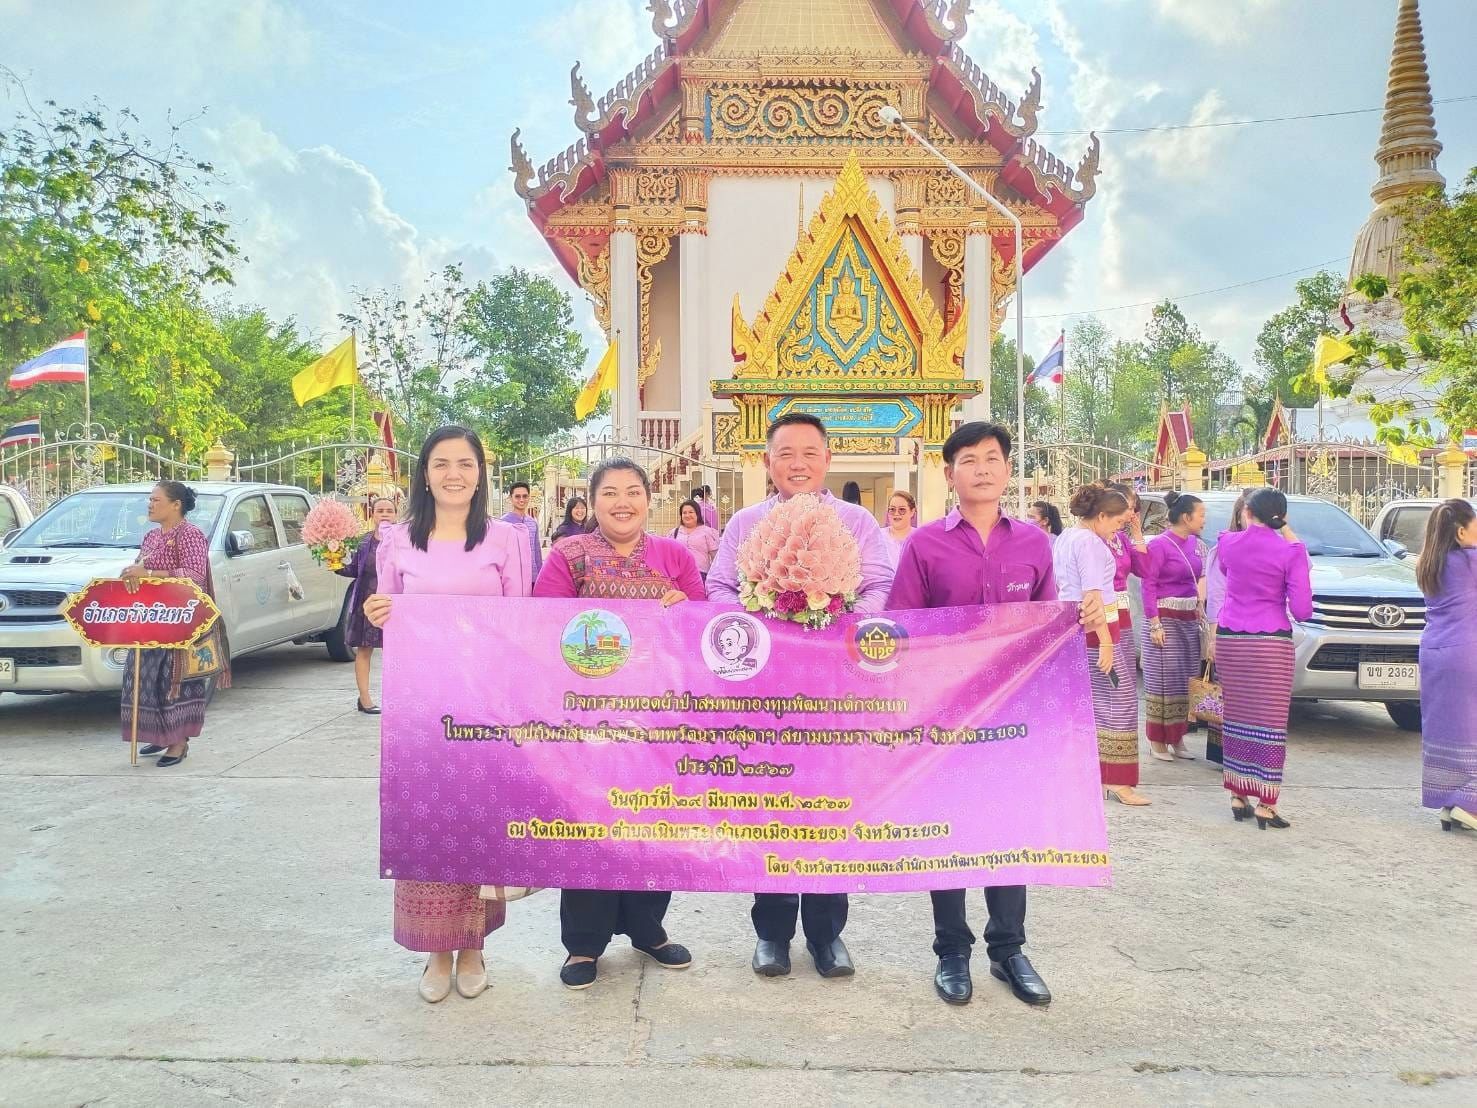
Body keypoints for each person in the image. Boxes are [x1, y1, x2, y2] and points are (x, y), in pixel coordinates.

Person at [887, 422, 1103, 1008]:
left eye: (991, 458)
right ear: (949, 472)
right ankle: (950, 951)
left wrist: (1076, 619)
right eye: (967, 460)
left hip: (1014, 717)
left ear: (1007, 469)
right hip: (945, 717)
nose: (981, 469)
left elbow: (1046, 628)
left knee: (1010, 829)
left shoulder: (1034, 544)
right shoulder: (924, 545)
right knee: (948, 831)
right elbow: (900, 629)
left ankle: (1009, 949)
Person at [708, 412, 893, 980]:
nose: (798, 464)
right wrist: (757, 624)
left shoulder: (857, 522)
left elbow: (881, 584)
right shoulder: (744, 523)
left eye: (810, 453)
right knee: (771, 810)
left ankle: (827, 934)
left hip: (836, 694)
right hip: (765, 695)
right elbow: (718, 587)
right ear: (768, 461)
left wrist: (837, 625)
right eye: (785, 453)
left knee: (831, 809)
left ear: (828, 459)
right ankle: (771, 933)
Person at [363, 425, 531, 1003]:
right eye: (441, 463)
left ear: (481, 473)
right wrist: (379, 609)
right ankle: (436, 951)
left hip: (485, 707)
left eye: (464, 463)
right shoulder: (398, 540)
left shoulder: (505, 540)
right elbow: (384, 617)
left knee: (478, 825)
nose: (453, 474)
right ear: (425, 473)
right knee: (428, 824)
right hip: (421, 708)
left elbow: (521, 624)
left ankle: (475, 947)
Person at [535, 458, 703, 989]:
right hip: (586, 719)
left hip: (659, 719)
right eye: (610, 492)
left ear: (649, 500)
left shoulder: (674, 555)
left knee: (653, 822)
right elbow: (543, 625)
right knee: (587, 824)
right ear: (592, 501)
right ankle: (583, 945)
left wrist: (685, 609)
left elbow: (703, 630)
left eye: (633, 491)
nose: (622, 501)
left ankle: (648, 928)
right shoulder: (568, 555)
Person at [1215, 488, 1312, 830]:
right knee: (1270, 723)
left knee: (1236, 716)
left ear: (1247, 511)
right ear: (1280, 516)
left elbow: (1228, 574)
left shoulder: (1227, 542)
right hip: (1269, 641)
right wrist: (1287, 532)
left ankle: (1237, 794)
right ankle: (1266, 803)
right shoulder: (1291, 550)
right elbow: (1302, 608)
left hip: (1230, 638)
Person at [123, 481, 230, 768]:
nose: (150, 504)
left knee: (173, 680)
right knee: (146, 678)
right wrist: (133, 574)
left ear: (175, 505)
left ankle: (178, 743)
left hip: (180, 624)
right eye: (149, 499)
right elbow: (141, 570)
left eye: (156, 500)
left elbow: (193, 576)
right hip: (150, 621)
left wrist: (151, 573)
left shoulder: (191, 535)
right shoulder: (151, 537)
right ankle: (158, 734)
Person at [1057, 483, 1148, 806]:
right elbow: (1093, 598)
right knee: (1119, 703)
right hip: (1098, 629)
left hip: (1077, 628)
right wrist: (1108, 644)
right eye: (1117, 523)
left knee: (1090, 705)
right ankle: (1116, 779)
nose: (1117, 530)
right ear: (1101, 516)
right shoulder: (1091, 544)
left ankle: (1092, 775)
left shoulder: (1069, 536)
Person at [1414, 499, 1477, 834]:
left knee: (1450, 728)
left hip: (1435, 650)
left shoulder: (1429, 562)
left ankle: (1451, 802)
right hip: (1467, 651)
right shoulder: (1470, 561)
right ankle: (1470, 804)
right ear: (1461, 530)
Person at [1141, 491, 1206, 761]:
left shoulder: (1196, 544)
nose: (1204, 520)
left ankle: (1178, 737)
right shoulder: (1159, 545)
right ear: (1186, 517)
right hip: (1164, 620)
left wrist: (1199, 605)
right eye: (1201, 515)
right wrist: (1154, 623)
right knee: (1163, 680)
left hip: (1188, 618)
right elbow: (1148, 584)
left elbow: (1199, 577)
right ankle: (1158, 741)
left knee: (1185, 679)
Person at [1203, 489, 1254, 764]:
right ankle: (1226, 752)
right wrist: (1213, 636)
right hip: (1231, 631)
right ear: (1241, 515)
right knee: (1231, 694)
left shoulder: (1279, 548)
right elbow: (1217, 596)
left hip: (1265, 635)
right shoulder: (1224, 550)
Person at [337, 496, 399, 715]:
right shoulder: (364, 542)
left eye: (389, 511)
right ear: (372, 515)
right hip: (368, 603)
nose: (384, 514)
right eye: (379, 510)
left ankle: (399, 698)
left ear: (396, 514)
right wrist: (333, 561)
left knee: (399, 653)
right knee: (364, 650)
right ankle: (365, 699)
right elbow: (354, 570)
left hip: (395, 604)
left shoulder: (405, 541)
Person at [500, 480, 542, 588]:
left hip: (532, 577)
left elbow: (537, 552)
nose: (521, 500)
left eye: (525, 496)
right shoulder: (503, 523)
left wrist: (540, 576)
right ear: (511, 498)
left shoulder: (533, 523)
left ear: (529, 498)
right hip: (511, 578)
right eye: (517, 496)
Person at [670, 498, 720, 577]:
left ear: (697, 514)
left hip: (701, 574)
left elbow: (715, 557)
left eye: (691, 512)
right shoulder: (674, 533)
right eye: (684, 513)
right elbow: (668, 554)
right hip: (678, 575)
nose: (687, 515)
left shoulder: (707, 532)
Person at [883, 490, 917, 564]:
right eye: (892, 509)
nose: (896, 513)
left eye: (902, 510)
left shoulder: (920, 537)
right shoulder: (878, 536)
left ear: (912, 511)